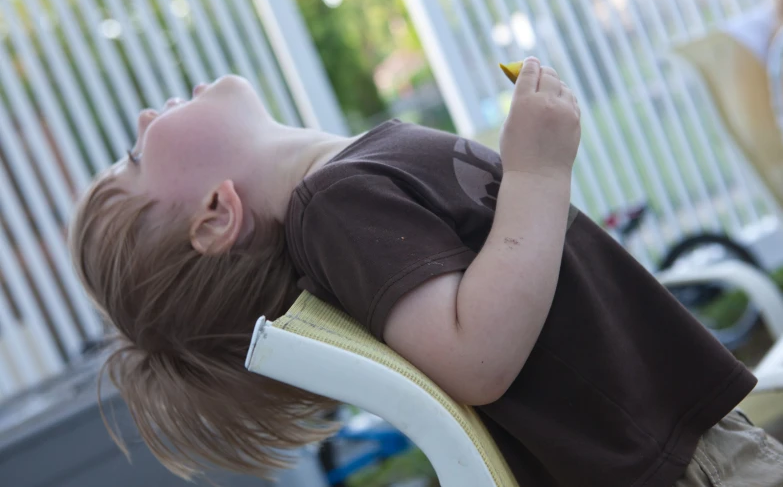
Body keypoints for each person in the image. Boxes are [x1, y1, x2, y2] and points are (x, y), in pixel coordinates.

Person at [69, 61, 783, 486]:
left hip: (677, 444)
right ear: (215, 215)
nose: (141, 115)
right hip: (672, 469)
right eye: (135, 158)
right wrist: (537, 170)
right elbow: (476, 357)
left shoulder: (343, 187)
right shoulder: (335, 207)